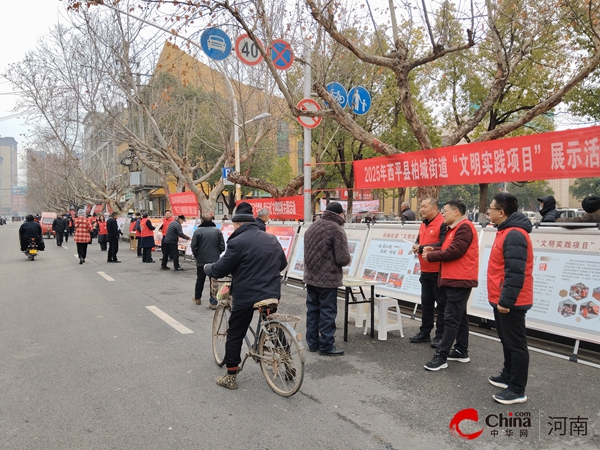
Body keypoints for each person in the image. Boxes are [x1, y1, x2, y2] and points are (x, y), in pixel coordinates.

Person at [204, 202, 288, 390]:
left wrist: (207, 268)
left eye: (234, 225)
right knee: (272, 324)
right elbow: (282, 264)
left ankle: (231, 375)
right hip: (272, 292)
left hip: (246, 295)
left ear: (238, 224)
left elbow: (221, 268)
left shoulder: (237, 242)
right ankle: (289, 363)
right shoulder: (271, 238)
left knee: (235, 333)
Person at [485, 192, 534, 405]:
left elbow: (515, 272)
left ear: (501, 212)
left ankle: (517, 389)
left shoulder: (514, 234)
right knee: (507, 340)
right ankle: (508, 376)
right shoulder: (504, 231)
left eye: (491, 209)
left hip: (511, 300)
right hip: (501, 297)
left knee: (516, 344)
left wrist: (506, 301)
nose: (488, 212)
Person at [422, 199, 479, 371]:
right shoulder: (454, 228)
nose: (443, 213)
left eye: (445, 210)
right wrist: (434, 250)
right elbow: (448, 248)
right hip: (455, 278)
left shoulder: (464, 227)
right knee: (460, 317)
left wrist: (432, 256)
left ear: (456, 212)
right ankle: (461, 350)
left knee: (451, 318)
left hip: (460, 279)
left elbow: (455, 251)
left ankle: (442, 355)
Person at [303, 201, 351, 356]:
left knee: (313, 311)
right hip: (328, 279)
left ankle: (312, 343)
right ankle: (326, 346)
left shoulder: (312, 226)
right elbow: (343, 259)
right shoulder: (336, 230)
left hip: (311, 277)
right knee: (327, 312)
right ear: (340, 214)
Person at [410, 198, 448, 348]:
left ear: (434, 208)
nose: (421, 209)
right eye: (421, 206)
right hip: (425, 270)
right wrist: (416, 246)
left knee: (441, 305)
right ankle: (424, 333)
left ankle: (440, 336)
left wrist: (421, 247)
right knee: (426, 304)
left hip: (438, 271)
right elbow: (420, 242)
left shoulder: (443, 223)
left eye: (424, 207)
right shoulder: (423, 224)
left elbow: (443, 245)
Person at [191, 214, 225, 307]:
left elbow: (194, 246)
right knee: (213, 281)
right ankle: (213, 302)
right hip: (214, 260)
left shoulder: (198, 231)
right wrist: (217, 254)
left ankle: (198, 298)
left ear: (202, 221)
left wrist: (197, 255)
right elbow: (222, 246)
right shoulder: (217, 231)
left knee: (200, 279)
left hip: (201, 260)